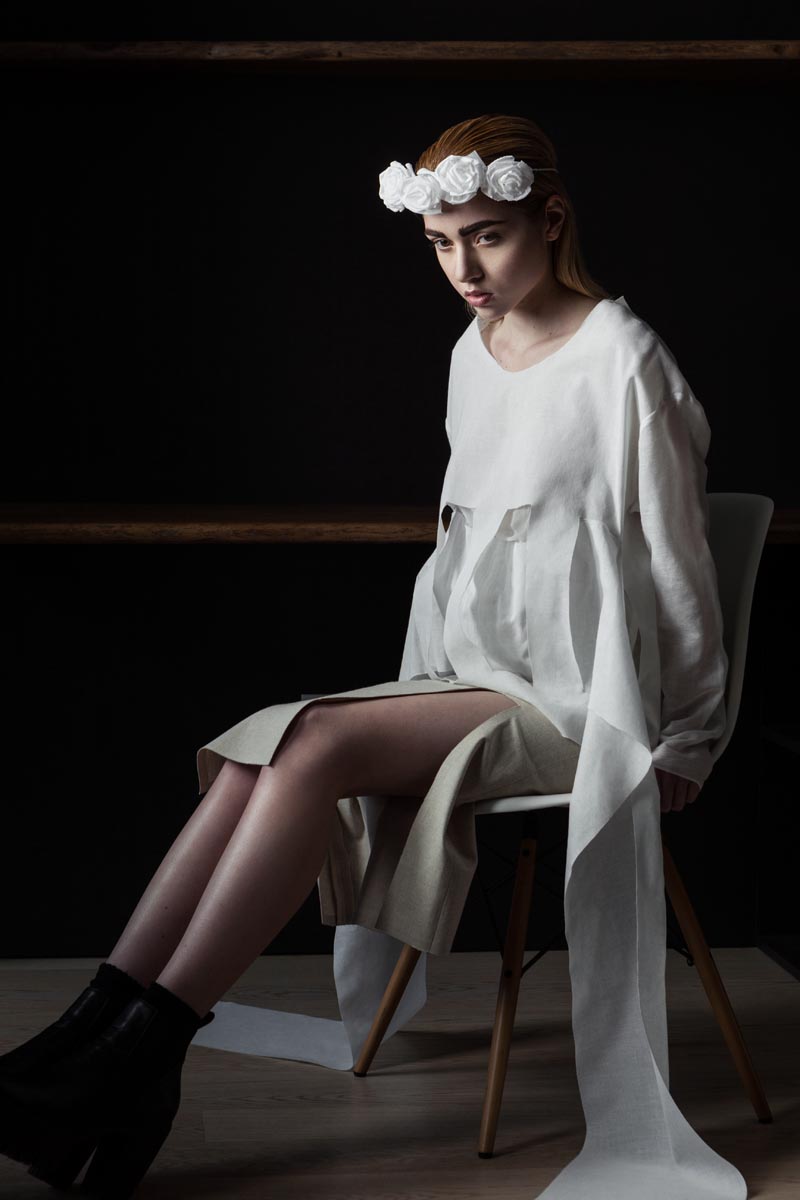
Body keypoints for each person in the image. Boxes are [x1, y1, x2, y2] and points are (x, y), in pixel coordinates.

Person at [0, 112, 746, 1200]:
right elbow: (464, 550)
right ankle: (97, 1047)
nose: (463, 270)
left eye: (486, 237)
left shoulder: (624, 360)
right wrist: (430, 678)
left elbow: (682, 569)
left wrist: (691, 734)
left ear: (550, 221)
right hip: (476, 680)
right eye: (440, 244)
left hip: (583, 701)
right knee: (265, 750)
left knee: (311, 742)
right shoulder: (471, 353)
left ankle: (129, 1058)